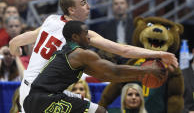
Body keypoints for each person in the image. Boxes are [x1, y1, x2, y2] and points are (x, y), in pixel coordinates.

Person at [9, 0, 178, 112]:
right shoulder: (80, 36)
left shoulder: (51, 20)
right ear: (71, 10)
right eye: (83, 3)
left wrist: (15, 49)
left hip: (28, 89)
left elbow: (19, 40)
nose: (89, 7)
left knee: (92, 107)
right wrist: (158, 54)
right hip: (43, 93)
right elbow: (123, 50)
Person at [23, 20, 164, 113]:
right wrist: (146, 70)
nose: (89, 38)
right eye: (86, 34)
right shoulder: (80, 54)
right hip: (45, 99)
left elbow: (105, 75)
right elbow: (113, 70)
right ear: (75, 37)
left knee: (97, 109)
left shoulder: (69, 53)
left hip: (35, 100)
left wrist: (139, 76)